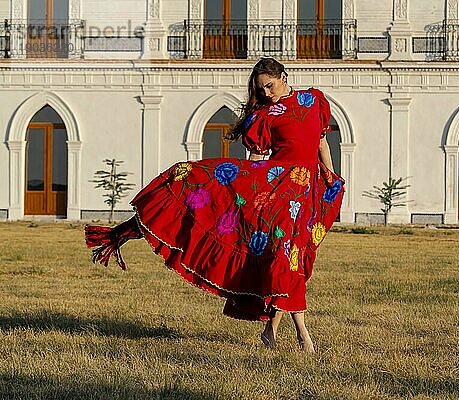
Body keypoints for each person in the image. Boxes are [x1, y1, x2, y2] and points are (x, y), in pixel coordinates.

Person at [85, 58, 345, 353]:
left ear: (283, 77)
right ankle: (303, 335)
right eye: (262, 90)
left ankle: (269, 333)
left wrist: (330, 177)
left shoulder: (314, 101)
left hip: (307, 192)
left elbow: (321, 144)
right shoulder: (264, 116)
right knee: (286, 259)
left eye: (270, 86)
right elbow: (258, 160)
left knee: (287, 261)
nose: (267, 93)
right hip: (278, 193)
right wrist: (246, 187)